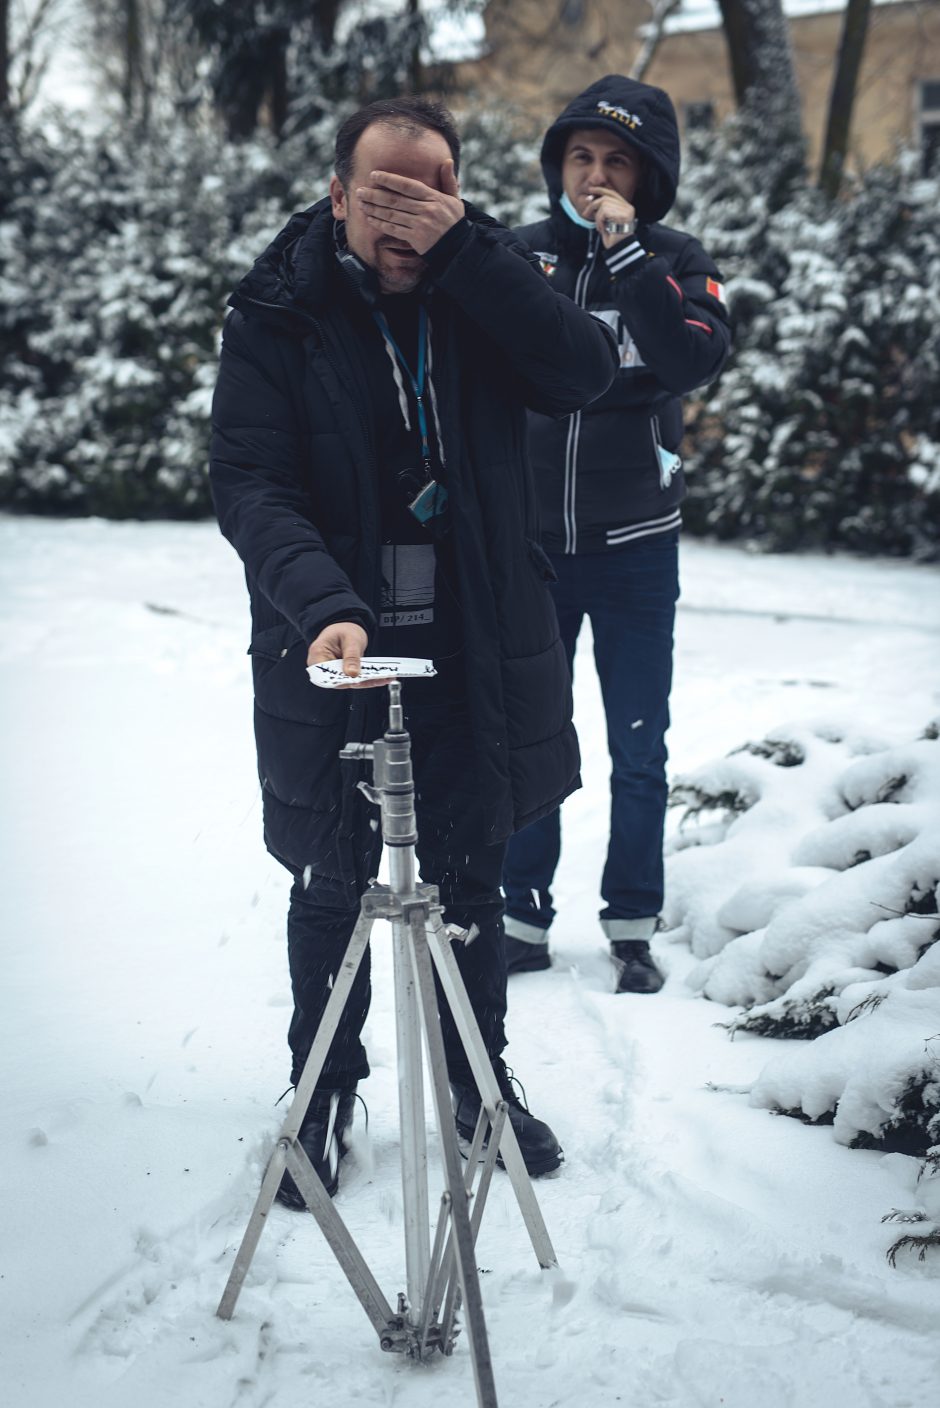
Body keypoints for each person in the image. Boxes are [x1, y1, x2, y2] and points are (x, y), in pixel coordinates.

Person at [209, 96, 617, 1205]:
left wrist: (467, 256)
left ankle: (473, 1085)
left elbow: (582, 371)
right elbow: (249, 481)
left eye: (430, 188)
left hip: (479, 631)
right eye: (381, 191)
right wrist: (319, 603)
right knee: (334, 870)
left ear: (458, 195)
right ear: (336, 194)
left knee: (469, 860)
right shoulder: (275, 309)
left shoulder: (485, 287)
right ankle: (325, 1085)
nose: (404, 213)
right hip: (333, 631)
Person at [502, 75, 732, 993]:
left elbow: (690, 356)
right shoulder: (517, 259)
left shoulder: (677, 259)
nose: (595, 175)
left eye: (617, 162)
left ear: (645, 179)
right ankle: (520, 916)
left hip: (638, 547)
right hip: (531, 550)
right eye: (582, 156)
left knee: (640, 748)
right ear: (559, 163)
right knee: (532, 736)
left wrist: (629, 255)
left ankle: (632, 924)